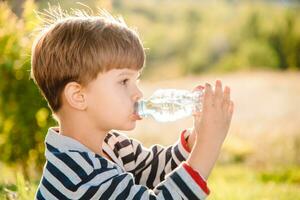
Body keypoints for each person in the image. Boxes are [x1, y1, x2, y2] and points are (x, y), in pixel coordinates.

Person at [31, 8, 234, 200]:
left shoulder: (112, 144)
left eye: (136, 81)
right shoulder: (77, 176)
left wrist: (196, 136)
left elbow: (155, 169)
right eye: (124, 81)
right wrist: (209, 144)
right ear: (78, 96)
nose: (138, 93)